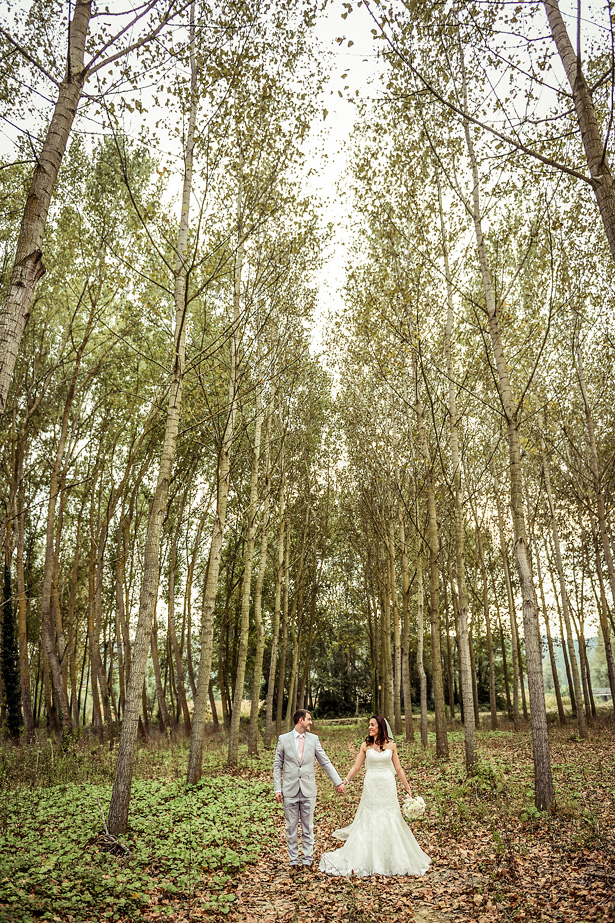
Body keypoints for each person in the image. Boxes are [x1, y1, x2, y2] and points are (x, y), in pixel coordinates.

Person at [318, 715, 431, 877]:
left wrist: (407, 787)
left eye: (372, 725)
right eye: (369, 725)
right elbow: (356, 767)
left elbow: (398, 768)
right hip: (371, 785)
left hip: (387, 785)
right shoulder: (365, 745)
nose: (369, 727)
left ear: (380, 727)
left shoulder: (391, 745)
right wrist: (344, 782)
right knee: (369, 817)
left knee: (390, 816)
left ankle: (392, 859)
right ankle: (367, 858)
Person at [274, 709, 346, 871]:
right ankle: (293, 861)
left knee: (308, 827)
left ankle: (307, 860)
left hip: (308, 791)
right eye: (309, 719)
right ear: (300, 720)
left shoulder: (313, 740)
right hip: (289, 791)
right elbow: (277, 766)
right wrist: (277, 788)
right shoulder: (283, 739)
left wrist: (338, 782)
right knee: (290, 828)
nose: (311, 722)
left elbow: (325, 762)